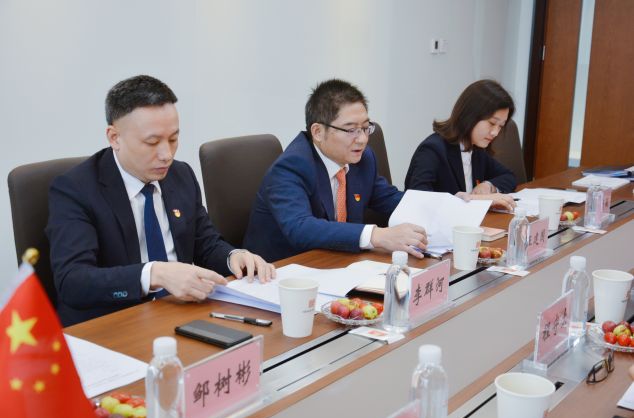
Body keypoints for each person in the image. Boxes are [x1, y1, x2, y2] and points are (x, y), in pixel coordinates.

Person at [47, 75, 275, 326]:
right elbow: (73, 281)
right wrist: (155, 274)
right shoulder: (75, 189)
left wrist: (233, 257)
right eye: (152, 142)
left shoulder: (180, 174)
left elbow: (205, 244)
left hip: (179, 313)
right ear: (114, 137)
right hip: (115, 325)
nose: (167, 155)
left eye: (173, 139)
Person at [243, 78, 428, 263]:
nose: (362, 139)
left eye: (365, 128)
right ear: (318, 132)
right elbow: (301, 228)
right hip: (282, 269)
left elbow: (390, 198)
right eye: (351, 130)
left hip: (338, 262)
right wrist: (376, 235)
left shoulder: (363, 159)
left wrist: (439, 208)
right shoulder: (291, 166)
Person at [404, 79, 517, 211]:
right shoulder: (433, 149)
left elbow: (509, 176)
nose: (495, 132)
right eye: (492, 123)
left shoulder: (476, 149)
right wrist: (475, 199)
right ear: (470, 115)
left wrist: (488, 185)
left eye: (500, 126)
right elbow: (417, 199)